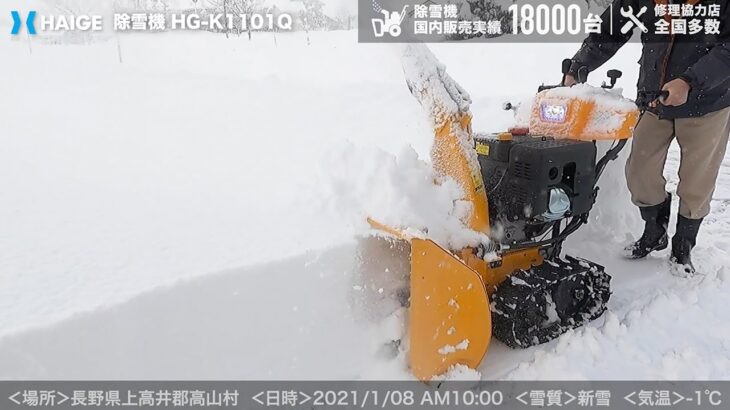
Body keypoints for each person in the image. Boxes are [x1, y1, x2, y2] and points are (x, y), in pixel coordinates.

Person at [564, 0, 730, 274]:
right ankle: (655, 230)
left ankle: (683, 246)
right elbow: (611, 28)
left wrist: (690, 81)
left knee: (696, 184)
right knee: (639, 173)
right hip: (656, 96)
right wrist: (578, 66)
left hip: (707, 102)